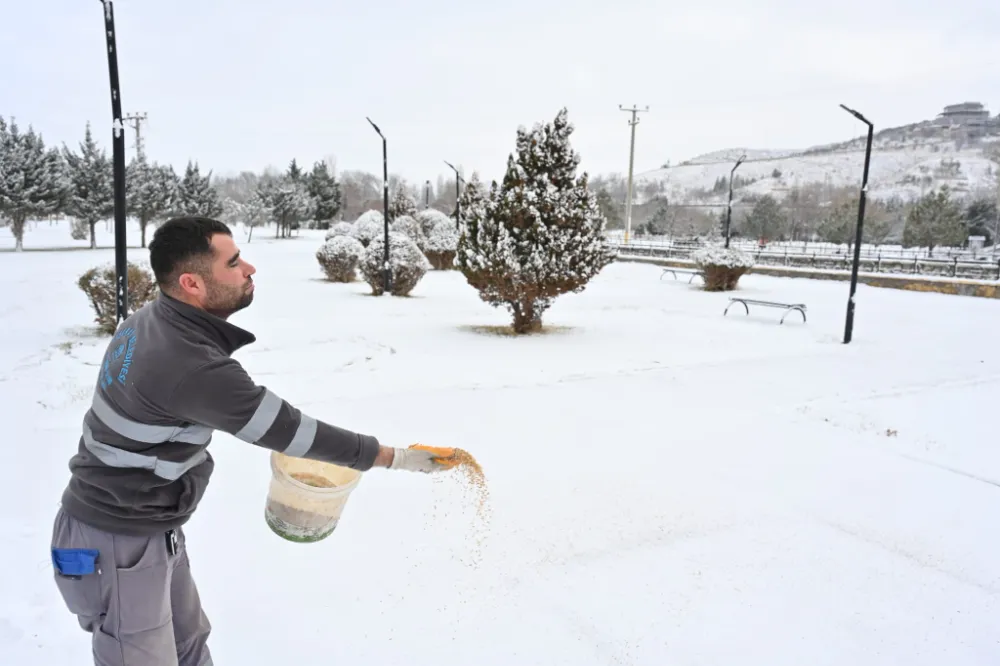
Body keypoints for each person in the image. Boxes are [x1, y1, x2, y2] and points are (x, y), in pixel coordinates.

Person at [50, 216, 455, 666]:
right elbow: (288, 430)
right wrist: (397, 458)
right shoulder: (188, 365)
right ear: (191, 283)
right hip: (114, 538)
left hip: (141, 526)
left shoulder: (152, 318)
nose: (250, 269)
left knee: (187, 643)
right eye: (234, 262)